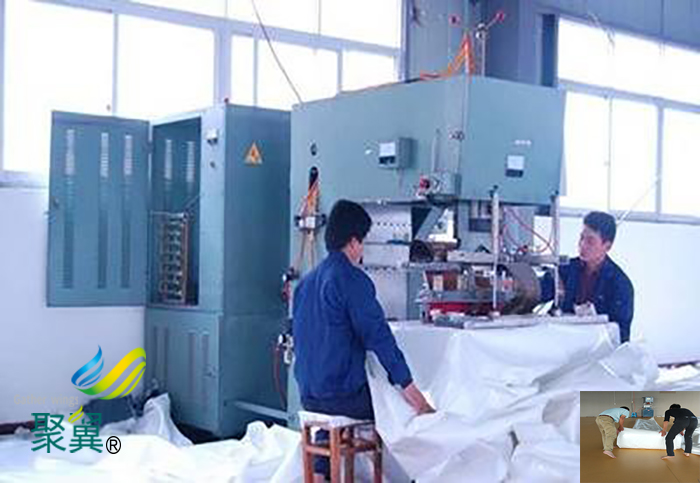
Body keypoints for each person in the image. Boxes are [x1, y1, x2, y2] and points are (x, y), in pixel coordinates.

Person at [293, 199, 434, 481]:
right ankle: (421, 475)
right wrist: (410, 390)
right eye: (363, 242)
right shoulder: (351, 279)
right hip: (343, 398)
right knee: (394, 405)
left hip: (308, 395)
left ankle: (320, 475)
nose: (363, 250)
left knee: (335, 406)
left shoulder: (305, 284)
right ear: (354, 242)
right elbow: (379, 336)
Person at [541, 211, 634, 342]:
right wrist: (519, 286)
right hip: (562, 343)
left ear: (607, 246)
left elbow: (620, 335)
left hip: (595, 349)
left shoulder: (620, 284)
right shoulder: (566, 270)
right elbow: (540, 290)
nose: (582, 245)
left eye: (590, 241)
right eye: (581, 238)